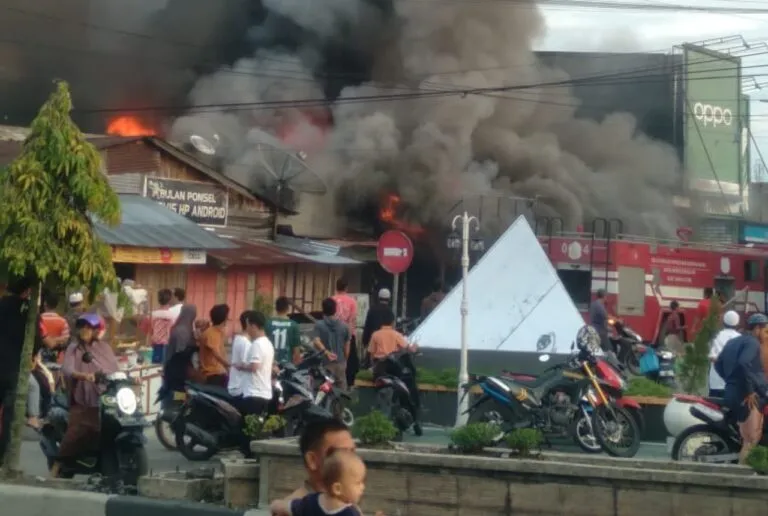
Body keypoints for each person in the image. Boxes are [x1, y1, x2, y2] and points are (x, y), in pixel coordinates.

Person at [50, 313, 120, 477]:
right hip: (82, 397)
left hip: (104, 395)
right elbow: (67, 369)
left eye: (88, 327)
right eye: (82, 326)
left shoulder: (104, 348)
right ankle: (58, 463)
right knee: (78, 429)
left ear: (96, 330)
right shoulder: (74, 348)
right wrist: (82, 376)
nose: (84, 330)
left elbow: (115, 369)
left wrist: (129, 378)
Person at [714, 312, 768, 464]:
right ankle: (740, 479)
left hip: (733, 391)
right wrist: (750, 390)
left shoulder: (734, 341)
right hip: (747, 396)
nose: (765, 336)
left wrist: (730, 380)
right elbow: (744, 363)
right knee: (750, 440)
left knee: (748, 439)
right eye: (765, 331)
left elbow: (718, 363)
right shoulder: (753, 343)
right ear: (757, 328)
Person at [276, 419, 356, 502]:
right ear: (312, 460)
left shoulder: (346, 503)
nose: (351, 461)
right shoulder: (292, 510)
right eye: (341, 453)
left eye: (352, 452)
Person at [270, 449, 366, 516]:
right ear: (337, 488)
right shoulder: (350, 513)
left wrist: (275, 505)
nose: (363, 487)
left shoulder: (310, 501)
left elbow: (284, 506)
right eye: (358, 483)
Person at [369, 310, 421, 435]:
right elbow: (409, 349)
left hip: (379, 370)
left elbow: (371, 354)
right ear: (392, 322)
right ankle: (411, 421)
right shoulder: (396, 335)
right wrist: (415, 347)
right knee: (407, 393)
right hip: (394, 370)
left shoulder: (375, 335)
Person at [312, 298, 350, 392]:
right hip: (340, 363)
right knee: (341, 393)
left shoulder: (318, 325)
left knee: (323, 392)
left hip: (325, 364)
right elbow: (347, 348)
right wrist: (344, 361)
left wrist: (326, 352)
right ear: (335, 309)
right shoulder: (344, 326)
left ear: (323, 309)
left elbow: (316, 341)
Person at [332, 278, 359, 387]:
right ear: (346, 288)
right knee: (350, 362)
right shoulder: (352, 301)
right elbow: (352, 320)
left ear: (336, 287)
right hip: (347, 335)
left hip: (333, 335)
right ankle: (348, 383)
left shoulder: (331, 300)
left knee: (332, 359)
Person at [708, 310, 740, 398]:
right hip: (733, 384)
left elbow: (712, 357)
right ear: (737, 323)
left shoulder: (717, 336)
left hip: (716, 382)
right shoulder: (741, 338)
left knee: (714, 410)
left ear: (723, 322)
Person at [199, 304, 231, 387]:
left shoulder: (218, 332)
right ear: (224, 318)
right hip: (213, 375)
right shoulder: (211, 333)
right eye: (227, 316)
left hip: (219, 373)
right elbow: (217, 354)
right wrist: (230, 365)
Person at [266, 296, 302, 365]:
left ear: (276, 308)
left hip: (270, 364)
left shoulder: (268, 323)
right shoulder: (294, 325)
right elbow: (296, 351)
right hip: (286, 366)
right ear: (288, 308)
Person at [40, 292, 71, 362]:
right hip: (57, 357)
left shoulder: (38, 320)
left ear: (44, 303)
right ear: (56, 305)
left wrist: (48, 340)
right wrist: (57, 340)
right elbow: (65, 339)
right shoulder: (63, 321)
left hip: (38, 356)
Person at [149, 289, 176, 364]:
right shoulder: (171, 315)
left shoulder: (154, 314)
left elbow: (151, 329)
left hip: (156, 343)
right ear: (170, 300)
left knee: (155, 366)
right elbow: (172, 330)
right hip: (167, 344)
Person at [589, 289, 611, 353]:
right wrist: (617, 320)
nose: (607, 298)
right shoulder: (599, 305)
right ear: (604, 296)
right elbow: (606, 316)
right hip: (600, 331)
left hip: (595, 329)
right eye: (607, 296)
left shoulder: (594, 304)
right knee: (608, 349)